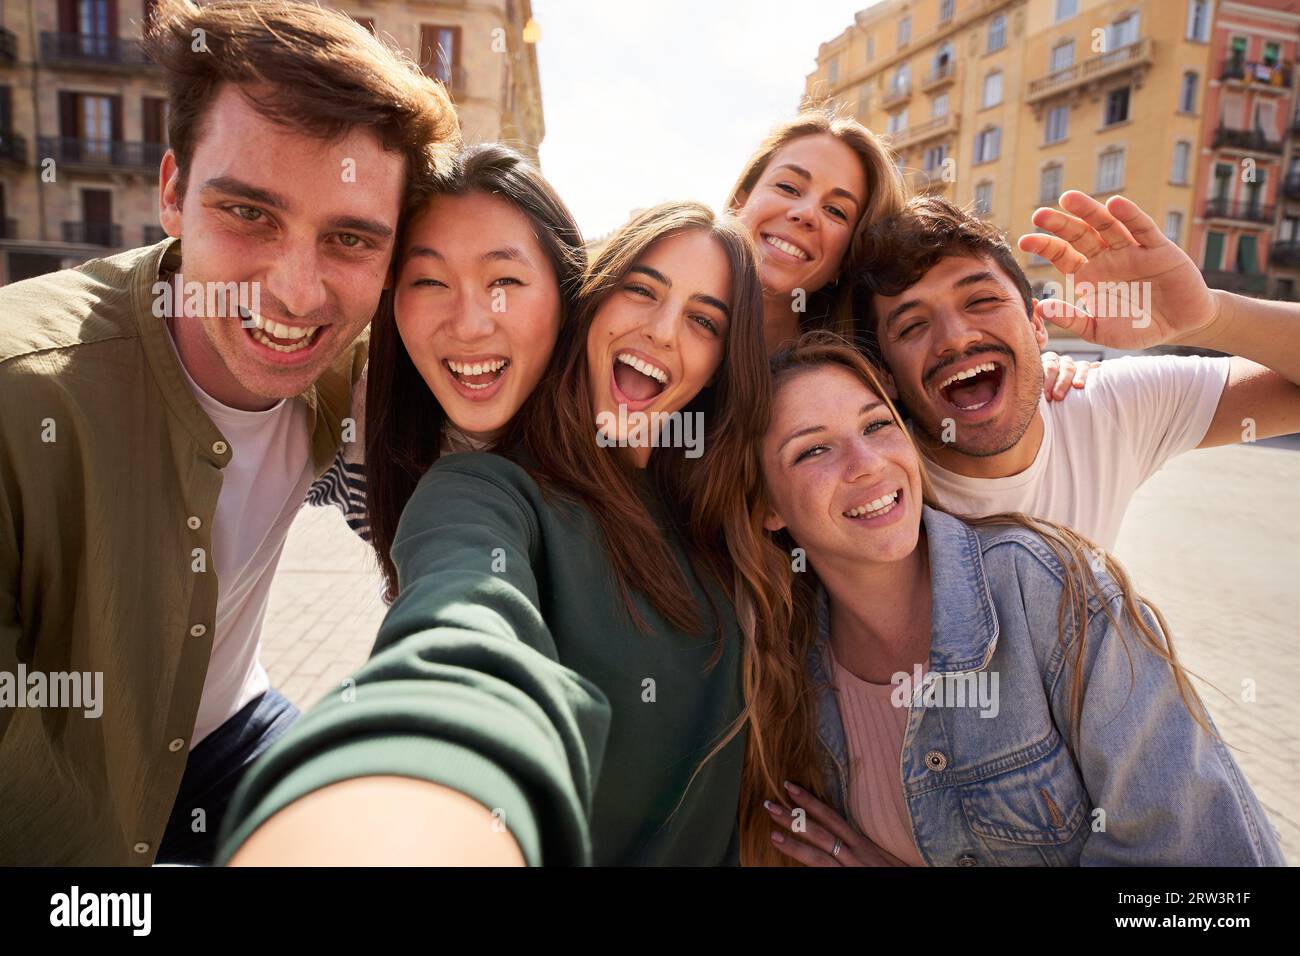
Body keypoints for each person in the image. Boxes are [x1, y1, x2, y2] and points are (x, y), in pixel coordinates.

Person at [0, 0, 458, 865]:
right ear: (172, 192)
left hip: (232, 732)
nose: (296, 293)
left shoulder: (354, 378)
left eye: (351, 239)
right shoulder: (19, 401)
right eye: (250, 213)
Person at [216, 201, 770, 866]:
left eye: (704, 320)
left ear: (720, 366)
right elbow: (463, 636)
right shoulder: (485, 492)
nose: (663, 330)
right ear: (588, 307)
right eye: (642, 291)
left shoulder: (727, 514)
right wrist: (406, 791)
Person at [744, 334, 1285, 866]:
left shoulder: (1046, 586)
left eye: (877, 424)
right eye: (813, 449)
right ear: (769, 507)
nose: (866, 463)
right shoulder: (785, 668)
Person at [853, 192, 1300, 549]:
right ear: (886, 373)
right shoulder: (867, 478)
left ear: (1036, 323)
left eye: (982, 301)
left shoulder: (1108, 407)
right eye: (912, 325)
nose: (956, 337)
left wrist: (1209, 317)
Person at [306, 143, 587, 599]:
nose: (469, 326)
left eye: (504, 281)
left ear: (566, 293)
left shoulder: (631, 442)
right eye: (430, 282)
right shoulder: (359, 439)